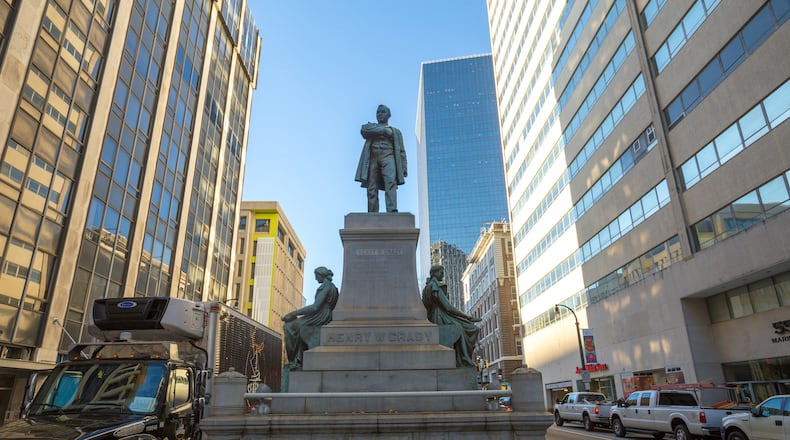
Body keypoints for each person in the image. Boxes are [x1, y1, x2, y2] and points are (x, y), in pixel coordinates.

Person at [421, 264, 482, 367]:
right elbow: (448, 307)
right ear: (434, 273)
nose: (443, 275)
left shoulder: (428, 287)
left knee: (467, 327)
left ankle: (462, 357)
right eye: (441, 272)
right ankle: (464, 358)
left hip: (438, 315)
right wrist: (467, 317)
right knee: (467, 328)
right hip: (440, 317)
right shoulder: (435, 287)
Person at [282, 266, 339, 369]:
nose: (315, 279)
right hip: (326, 314)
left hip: (320, 315)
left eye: (316, 276)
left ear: (320, 275)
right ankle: (298, 359)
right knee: (297, 325)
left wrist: (293, 313)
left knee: (291, 326)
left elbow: (315, 307)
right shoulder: (333, 287)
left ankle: (294, 360)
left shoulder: (325, 287)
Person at [355, 104, 408, 213]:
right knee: (371, 186)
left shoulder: (396, 132)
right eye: (378, 112)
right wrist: (383, 130)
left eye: (383, 112)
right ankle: (372, 211)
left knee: (390, 182)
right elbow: (364, 130)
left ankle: (392, 209)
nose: (380, 114)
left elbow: (402, 151)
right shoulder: (371, 126)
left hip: (388, 157)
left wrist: (404, 167)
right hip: (372, 157)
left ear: (389, 115)